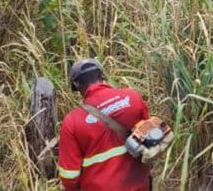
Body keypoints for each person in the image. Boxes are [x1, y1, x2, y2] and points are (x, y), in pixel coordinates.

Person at [58, 58, 151, 191]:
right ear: (102, 75)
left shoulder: (72, 121)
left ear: (76, 84)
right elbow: (150, 141)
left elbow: (69, 177)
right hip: (139, 186)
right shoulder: (132, 97)